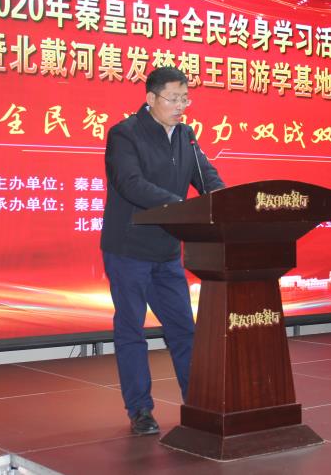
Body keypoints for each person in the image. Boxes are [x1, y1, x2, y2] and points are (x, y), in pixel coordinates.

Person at [100, 67, 225, 435]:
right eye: (174, 99)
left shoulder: (186, 136)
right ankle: (140, 409)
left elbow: (207, 177)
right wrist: (180, 207)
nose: (181, 106)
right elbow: (131, 184)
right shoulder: (125, 134)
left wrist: (226, 202)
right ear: (151, 98)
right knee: (131, 330)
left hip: (167, 250)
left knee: (184, 330)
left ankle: (198, 401)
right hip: (129, 249)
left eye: (185, 98)